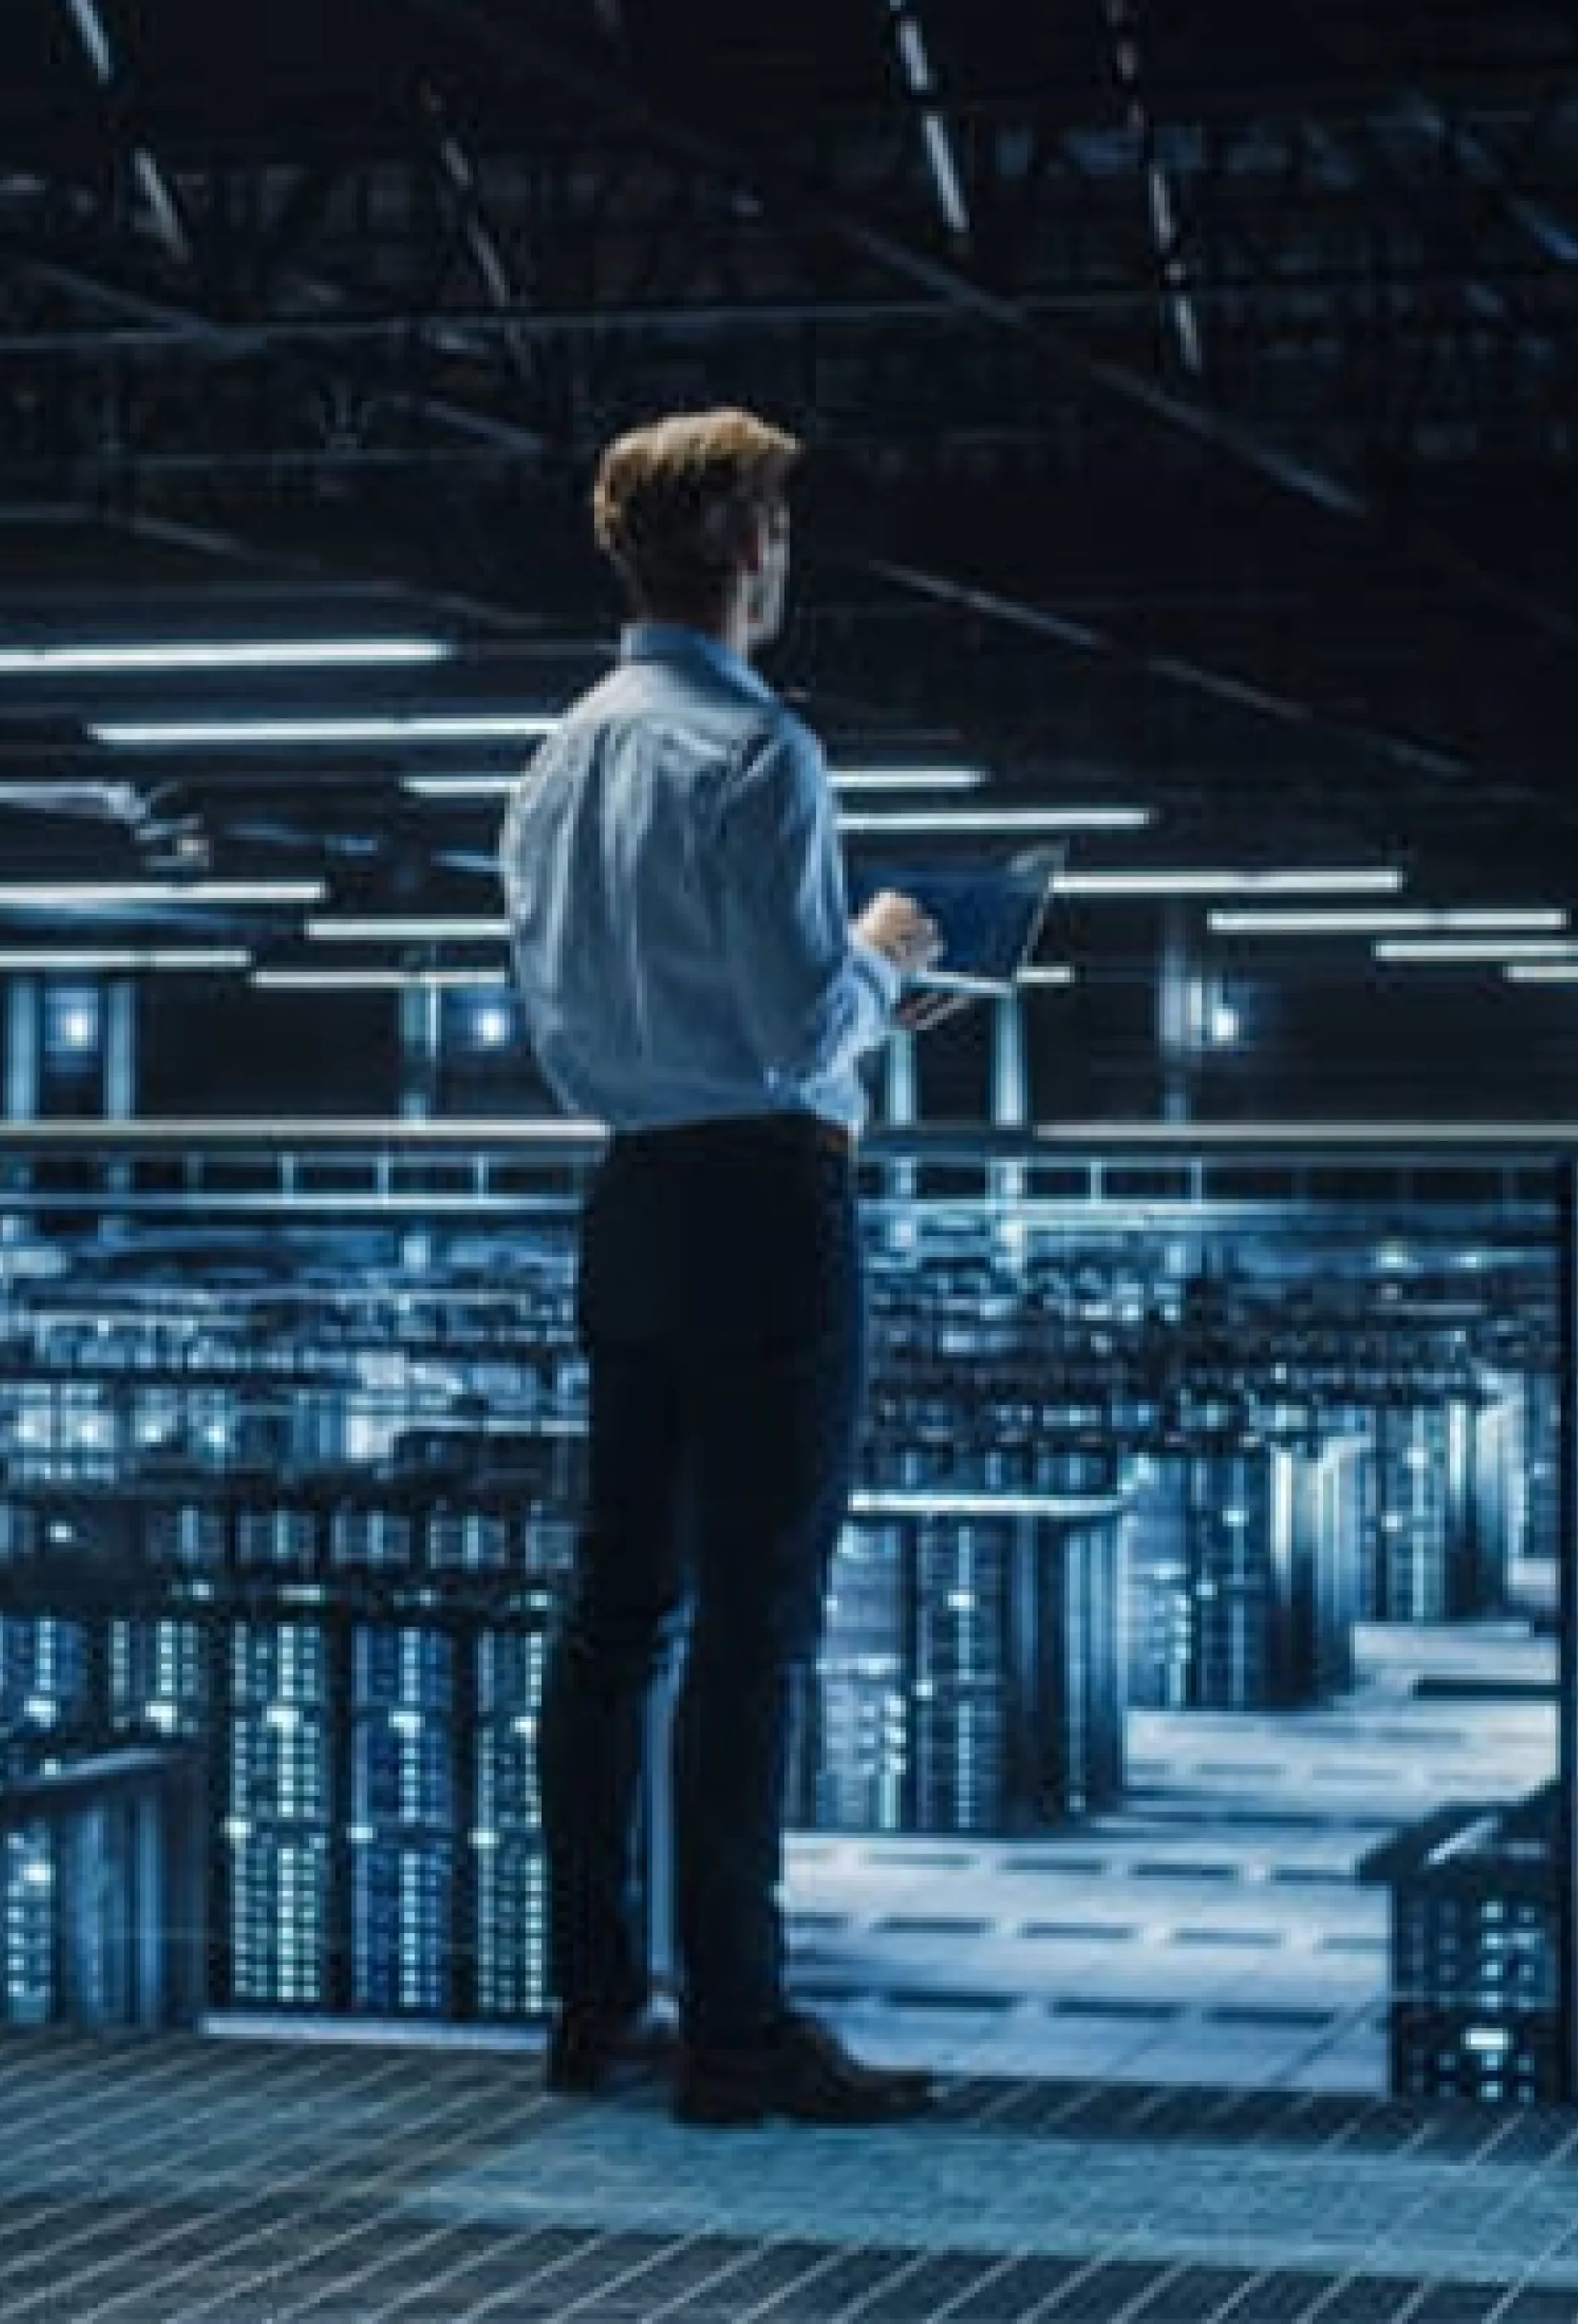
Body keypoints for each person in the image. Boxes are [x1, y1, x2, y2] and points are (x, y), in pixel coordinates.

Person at [502, 408, 941, 2128]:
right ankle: (739, 2032)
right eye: (780, 525)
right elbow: (795, 1018)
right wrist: (890, 958)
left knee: (615, 1618)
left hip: (630, 1207)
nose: (785, 552)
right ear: (749, 549)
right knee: (753, 1627)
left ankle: (598, 2005)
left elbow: (564, 1029)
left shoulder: (555, 761)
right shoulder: (762, 756)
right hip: (769, 1209)